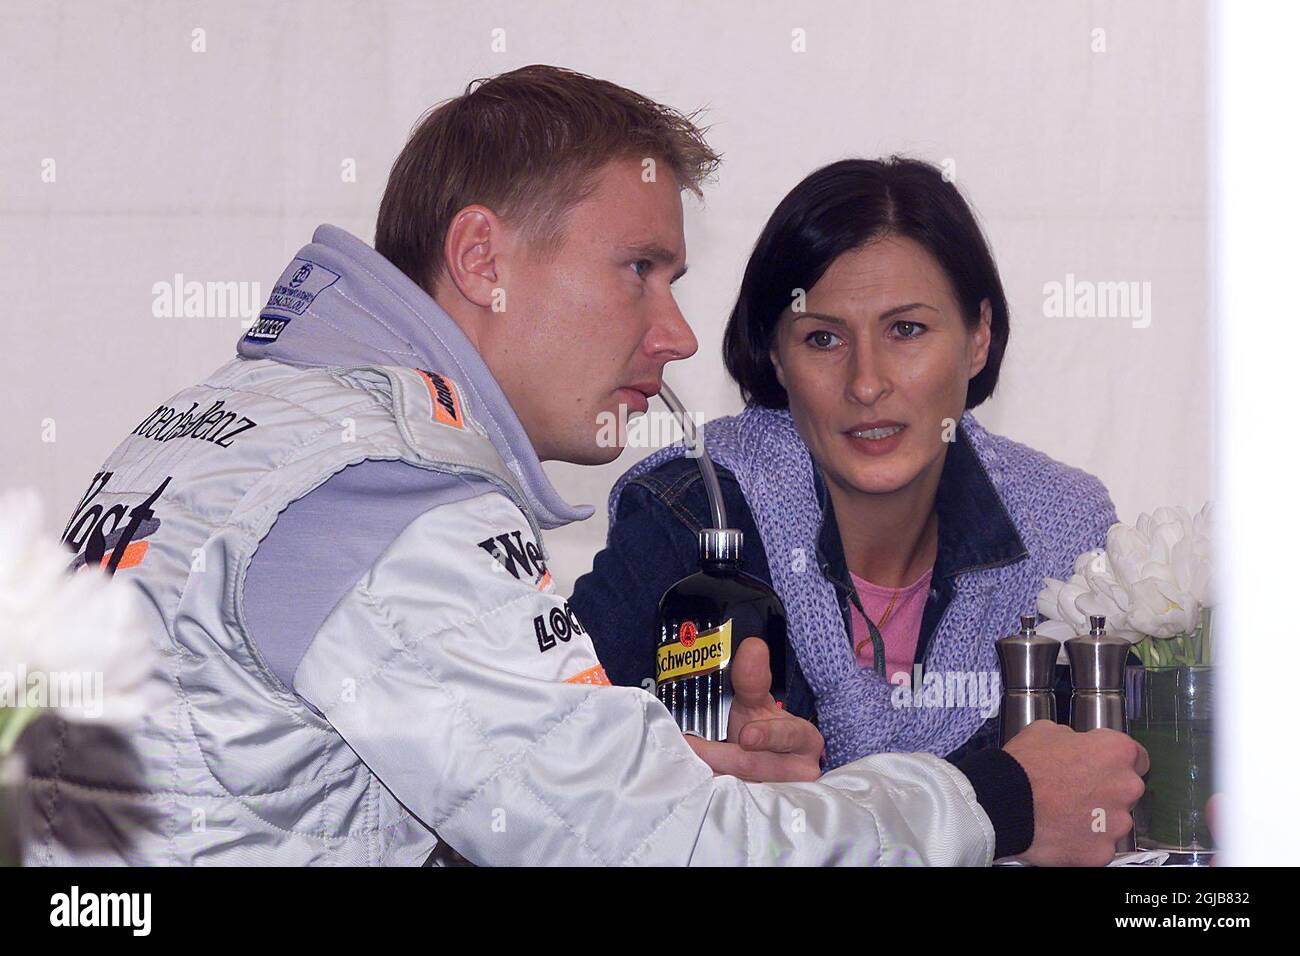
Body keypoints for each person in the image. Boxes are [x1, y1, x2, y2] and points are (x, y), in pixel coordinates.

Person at [33, 67, 1144, 866]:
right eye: (638, 269)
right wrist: (997, 796)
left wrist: (653, 761)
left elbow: (292, 796)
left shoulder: (235, 422)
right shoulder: (386, 507)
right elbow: (658, 850)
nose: (673, 334)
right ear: (483, 259)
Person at [573, 155, 1132, 816]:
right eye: (823, 338)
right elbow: (547, 779)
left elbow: (1113, 800)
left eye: (906, 330)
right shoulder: (692, 516)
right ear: (776, 357)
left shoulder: (1064, 532)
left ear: (978, 338)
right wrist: (687, 792)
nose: (867, 383)